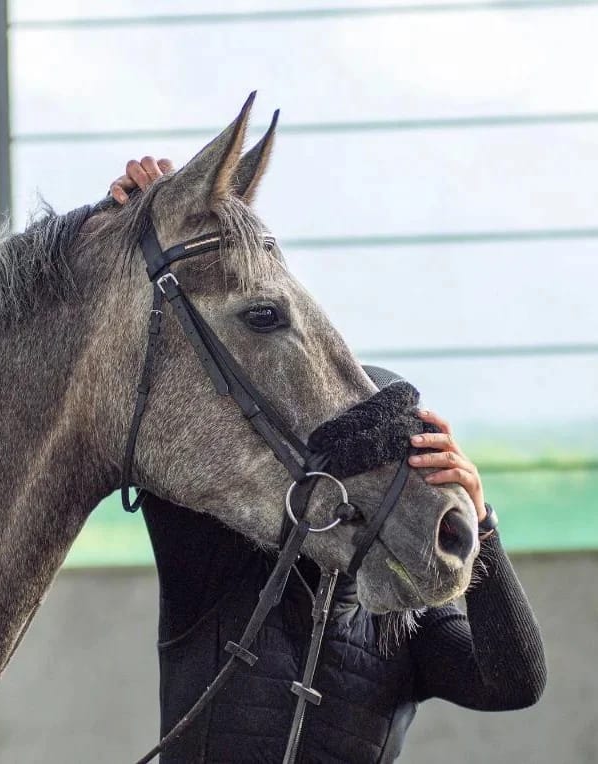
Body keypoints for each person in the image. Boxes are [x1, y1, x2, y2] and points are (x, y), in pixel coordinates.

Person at [109, 159, 546, 763]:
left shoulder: (404, 622)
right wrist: (147, 217)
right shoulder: (215, 562)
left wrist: (479, 523)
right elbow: (169, 397)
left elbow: (515, 683)